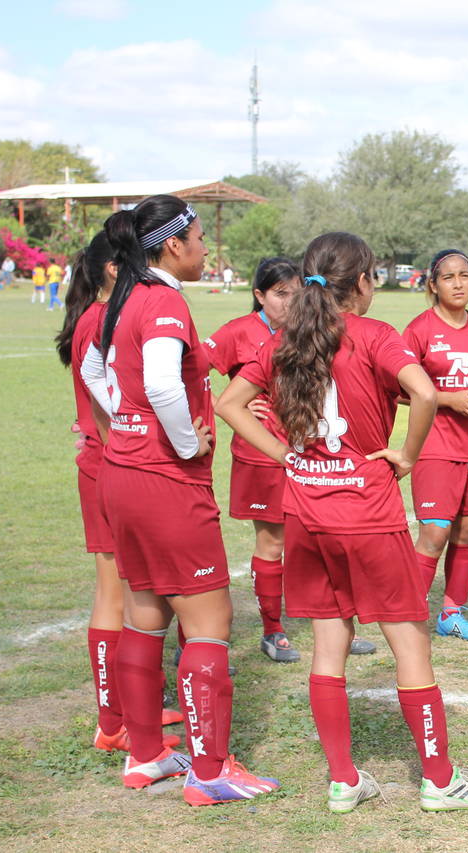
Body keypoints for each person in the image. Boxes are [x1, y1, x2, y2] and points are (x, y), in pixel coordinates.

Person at [215, 231, 468, 814]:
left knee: (328, 643)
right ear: (363, 282)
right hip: (367, 512)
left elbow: (228, 404)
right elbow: (423, 392)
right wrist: (407, 455)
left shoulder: (287, 338)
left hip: (306, 509)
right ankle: (440, 781)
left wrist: (285, 456)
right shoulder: (374, 335)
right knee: (410, 642)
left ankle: (344, 780)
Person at [85, 194, 279, 804]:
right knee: (209, 623)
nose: (203, 248)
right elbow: (166, 381)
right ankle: (211, 769)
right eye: (197, 237)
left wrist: (124, 422)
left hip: (120, 473)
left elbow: (94, 367)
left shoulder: (121, 296)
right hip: (165, 481)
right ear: (173, 244)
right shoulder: (165, 298)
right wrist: (182, 443)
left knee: (145, 613)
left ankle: (145, 757)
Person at [59, 234, 184, 754]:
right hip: (113, 466)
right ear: (113, 267)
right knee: (116, 594)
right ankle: (115, 721)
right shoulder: (104, 317)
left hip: (111, 461)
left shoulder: (107, 313)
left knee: (136, 593)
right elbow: (112, 395)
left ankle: (134, 711)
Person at [205, 258, 313, 662]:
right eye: (280, 294)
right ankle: (273, 630)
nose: (290, 302)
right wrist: (229, 405)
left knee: (318, 536)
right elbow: (192, 371)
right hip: (260, 454)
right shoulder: (238, 331)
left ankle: (335, 620)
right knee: (273, 541)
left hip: (309, 450)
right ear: (259, 296)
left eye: (296, 293)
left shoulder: (305, 332)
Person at [403, 249, 468, 643]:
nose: (459, 283)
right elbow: (400, 388)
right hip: (435, 446)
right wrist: (448, 400)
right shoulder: (419, 330)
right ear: (433, 285)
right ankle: (409, 613)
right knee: (434, 532)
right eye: (449, 277)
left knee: (466, 532)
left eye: (465, 275)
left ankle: (451, 614)